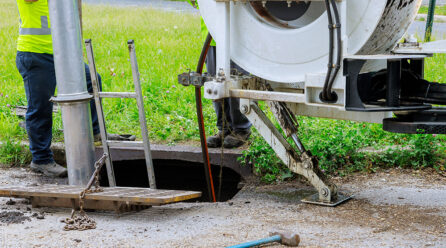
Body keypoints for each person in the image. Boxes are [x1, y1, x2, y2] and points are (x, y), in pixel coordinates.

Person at [16, 0, 102, 177]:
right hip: (36, 54)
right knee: (40, 107)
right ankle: (41, 160)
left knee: (91, 80)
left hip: (63, 53)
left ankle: (94, 132)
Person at [187, 0, 252, 148]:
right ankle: (224, 128)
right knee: (216, 83)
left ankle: (241, 128)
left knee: (238, 80)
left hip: (239, 33)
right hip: (213, 33)